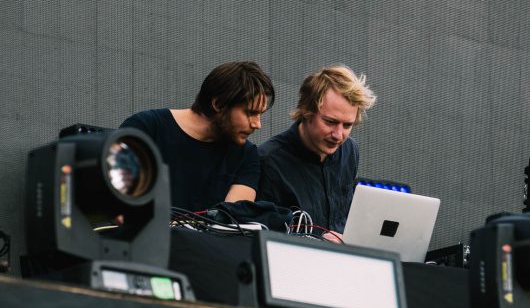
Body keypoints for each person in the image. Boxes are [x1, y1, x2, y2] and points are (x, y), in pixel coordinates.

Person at [120, 61, 275, 212]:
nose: (257, 124)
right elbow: (117, 199)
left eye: (260, 114)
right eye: (250, 113)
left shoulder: (246, 155)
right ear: (219, 104)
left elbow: (231, 221)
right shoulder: (146, 128)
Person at [256, 65, 376, 239]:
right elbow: (263, 234)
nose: (338, 135)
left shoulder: (350, 150)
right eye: (330, 122)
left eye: (347, 125)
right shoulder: (269, 160)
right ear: (307, 111)